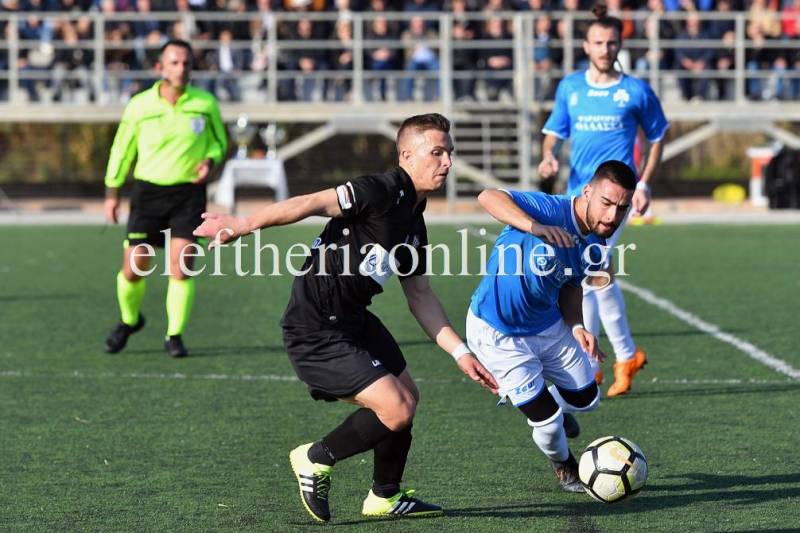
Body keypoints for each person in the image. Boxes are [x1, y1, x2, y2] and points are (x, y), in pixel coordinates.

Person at [193, 113, 498, 523]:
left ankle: (384, 496)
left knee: (408, 397)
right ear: (407, 155)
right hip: (314, 327)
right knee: (396, 408)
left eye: (450, 153)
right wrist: (243, 224)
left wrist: (461, 353)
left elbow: (419, 294)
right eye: (437, 152)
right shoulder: (380, 189)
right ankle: (315, 458)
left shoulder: (414, 218)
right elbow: (311, 202)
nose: (447, 162)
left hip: (353, 319)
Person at [467, 161, 635, 492]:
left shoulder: (596, 246)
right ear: (587, 191)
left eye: (622, 208)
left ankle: (545, 404)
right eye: (606, 202)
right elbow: (488, 196)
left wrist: (578, 326)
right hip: (498, 332)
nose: (612, 216)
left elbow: (571, 288)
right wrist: (536, 228)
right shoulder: (550, 209)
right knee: (547, 422)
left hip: (548, 325)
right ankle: (566, 466)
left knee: (588, 398)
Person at [537, 3, 669, 397]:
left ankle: (613, 357)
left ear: (619, 45)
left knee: (593, 270)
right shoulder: (571, 88)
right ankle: (603, 360)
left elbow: (657, 137)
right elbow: (554, 132)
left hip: (617, 197)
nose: (605, 49)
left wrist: (644, 185)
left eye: (611, 43)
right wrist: (548, 155)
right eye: (598, 42)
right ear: (586, 45)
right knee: (588, 275)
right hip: (579, 196)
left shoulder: (635, 91)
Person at [103, 39, 228, 358]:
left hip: (188, 195)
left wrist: (210, 160)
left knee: (181, 266)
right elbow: (121, 149)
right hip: (147, 193)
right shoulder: (139, 106)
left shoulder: (205, 103)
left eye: (186, 63)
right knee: (134, 267)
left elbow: (219, 143)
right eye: (174, 62)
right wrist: (112, 191)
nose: (181, 68)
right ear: (160, 68)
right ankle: (130, 320)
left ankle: (174, 335)